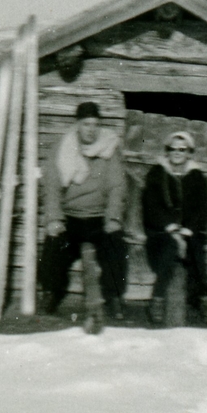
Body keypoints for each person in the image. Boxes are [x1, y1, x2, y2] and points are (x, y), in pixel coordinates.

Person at [39, 101, 128, 329]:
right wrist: (54, 219)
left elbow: (117, 187)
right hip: (71, 217)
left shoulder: (109, 147)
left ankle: (114, 296)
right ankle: (51, 292)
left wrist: (113, 218)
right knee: (54, 244)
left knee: (116, 244)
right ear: (77, 124)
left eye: (96, 124)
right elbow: (51, 185)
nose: (91, 129)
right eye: (86, 124)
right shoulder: (64, 147)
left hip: (99, 217)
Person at [141, 130, 207, 327]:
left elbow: (203, 209)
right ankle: (156, 300)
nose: (177, 153)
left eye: (182, 150)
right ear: (167, 152)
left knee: (197, 250)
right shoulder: (157, 174)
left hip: (189, 233)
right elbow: (151, 207)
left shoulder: (197, 176)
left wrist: (187, 231)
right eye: (172, 149)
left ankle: (205, 301)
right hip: (162, 232)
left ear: (189, 153)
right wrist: (172, 229)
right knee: (170, 247)